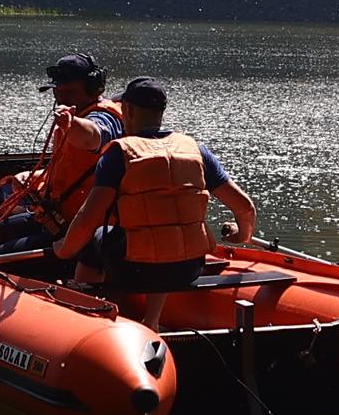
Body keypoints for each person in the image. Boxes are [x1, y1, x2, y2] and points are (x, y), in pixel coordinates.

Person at [51, 77, 259, 291]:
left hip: (134, 268)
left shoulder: (119, 153)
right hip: (190, 267)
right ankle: (152, 319)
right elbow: (245, 208)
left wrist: (63, 250)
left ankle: (83, 301)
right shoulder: (195, 150)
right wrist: (242, 235)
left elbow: (88, 217)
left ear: (128, 111)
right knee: (165, 233)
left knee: (94, 238)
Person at [0, 53, 124, 253]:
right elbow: (71, 169)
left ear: (93, 88)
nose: (60, 99)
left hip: (82, 232)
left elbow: (92, 137)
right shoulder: (74, 115)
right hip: (59, 219)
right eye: (57, 92)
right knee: (2, 231)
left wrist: (71, 123)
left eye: (69, 92)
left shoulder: (105, 118)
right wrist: (34, 179)